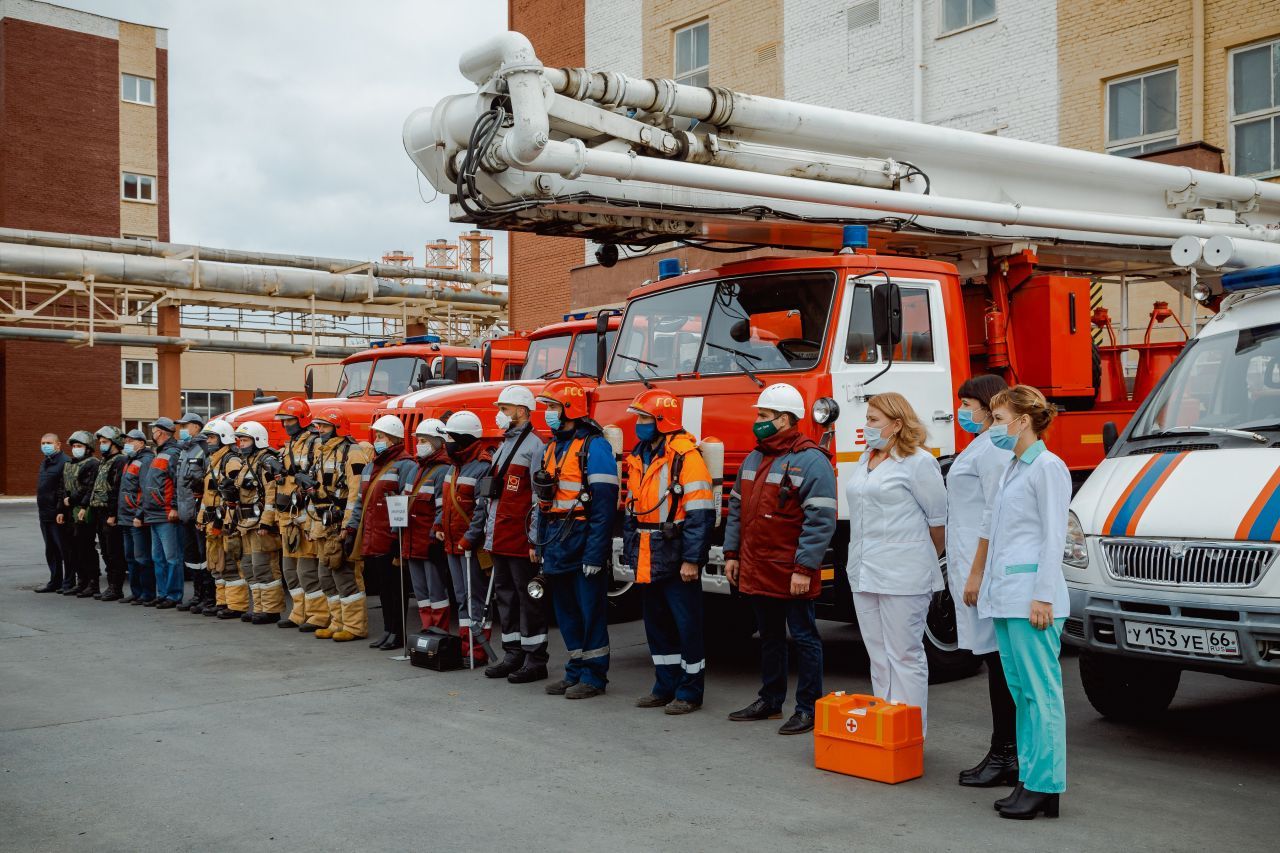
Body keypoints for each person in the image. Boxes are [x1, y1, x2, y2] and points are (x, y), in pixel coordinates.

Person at [966, 385, 1071, 820]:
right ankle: (1031, 779)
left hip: (1033, 601)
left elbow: (1054, 536)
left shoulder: (1048, 467)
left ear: (1023, 421)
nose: (992, 426)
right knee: (1023, 692)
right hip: (1007, 599)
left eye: (998, 417)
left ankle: (1045, 785)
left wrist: (1044, 595)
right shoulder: (1013, 467)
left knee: (1041, 695)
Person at [724, 383, 836, 735]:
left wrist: (805, 568)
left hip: (791, 571)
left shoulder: (811, 460)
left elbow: (820, 522)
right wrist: (731, 554)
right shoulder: (754, 458)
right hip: (759, 566)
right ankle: (771, 701)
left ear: (785, 419)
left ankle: (809, 709)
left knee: (804, 637)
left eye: (763, 415)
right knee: (770, 636)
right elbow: (737, 510)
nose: (757, 421)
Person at [845, 392, 947, 735]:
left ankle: (910, 733)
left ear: (897, 424)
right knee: (878, 655)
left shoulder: (918, 462)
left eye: (874, 420)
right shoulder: (866, 459)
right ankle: (884, 728)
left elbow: (938, 520)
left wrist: (917, 557)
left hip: (904, 574)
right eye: (867, 419)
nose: (867, 426)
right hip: (864, 571)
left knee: (904, 655)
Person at [622, 388, 715, 714]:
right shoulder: (639, 455)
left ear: (662, 421)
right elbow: (630, 511)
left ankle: (690, 691)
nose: (639, 424)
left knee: (687, 625)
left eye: (644, 418)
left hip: (675, 555)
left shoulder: (686, 458)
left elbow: (701, 514)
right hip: (648, 553)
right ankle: (665, 685)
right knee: (656, 623)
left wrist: (692, 560)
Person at [947, 374, 1019, 788]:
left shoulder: (993, 446)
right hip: (972, 567)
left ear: (988, 405)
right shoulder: (982, 443)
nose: (963, 412)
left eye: (968, 404)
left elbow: (997, 512)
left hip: (986, 572)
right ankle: (1002, 751)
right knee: (995, 663)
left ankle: (1006, 754)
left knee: (1000, 665)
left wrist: (978, 572)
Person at [533, 379, 619, 700]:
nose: (548, 415)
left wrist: (596, 554)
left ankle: (594, 677)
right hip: (556, 542)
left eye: (553, 408)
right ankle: (575, 671)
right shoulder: (552, 448)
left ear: (569, 409)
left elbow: (604, 506)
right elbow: (544, 504)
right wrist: (540, 547)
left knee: (590, 611)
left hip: (583, 541)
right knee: (566, 611)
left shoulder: (594, 447)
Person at [482, 385, 549, 683]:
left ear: (521, 411)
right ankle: (513, 653)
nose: (500, 415)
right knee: (505, 597)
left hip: (521, 539)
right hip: (500, 537)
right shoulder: (504, 445)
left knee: (528, 598)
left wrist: (535, 539)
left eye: (504, 409)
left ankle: (535, 658)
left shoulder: (535, 447)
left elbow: (538, 499)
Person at [348, 414, 418, 647]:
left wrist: (398, 535)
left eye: (381, 436)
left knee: (396, 589)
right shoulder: (370, 467)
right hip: (373, 538)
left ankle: (398, 633)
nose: (377, 439)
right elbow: (360, 502)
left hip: (391, 538)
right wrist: (352, 528)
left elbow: (407, 503)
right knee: (383, 591)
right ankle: (389, 630)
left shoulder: (407, 465)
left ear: (393, 438)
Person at [433, 410, 495, 667]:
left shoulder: (482, 468)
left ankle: (478, 651)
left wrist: (469, 539)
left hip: (469, 546)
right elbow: (446, 503)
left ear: (465, 439)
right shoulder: (454, 467)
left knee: (475, 599)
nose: (447, 442)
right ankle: (465, 647)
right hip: (452, 543)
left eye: (451, 437)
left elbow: (483, 509)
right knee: (461, 597)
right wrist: (439, 524)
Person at [308, 408, 373, 639]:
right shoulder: (321, 451)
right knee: (326, 577)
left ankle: (355, 627)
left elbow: (356, 493)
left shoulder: (352, 452)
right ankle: (337, 623)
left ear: (338, 427)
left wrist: (348, 526)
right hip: (323, 523)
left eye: (325, 426)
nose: (320, 430)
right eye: (318, 426)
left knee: (344, 576)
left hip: (339, 525)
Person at [266, 399, 320, 629]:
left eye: (290, 420)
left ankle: (317, 615)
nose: (286, 424)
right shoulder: (290, 445)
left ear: (302, 420)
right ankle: (299, 612)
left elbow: (317, 476)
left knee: (306, 570)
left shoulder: (315, 443)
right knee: (290, 570)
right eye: (284, 421)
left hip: (305, 515)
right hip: (287, 515)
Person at [230, 421, 284, 624]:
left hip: (260, 525)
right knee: (250, 567)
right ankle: (259, 607)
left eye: (244, 440)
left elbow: (271, 493)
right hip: (247, 523)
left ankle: (271, 610)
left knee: (264, 566)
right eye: (240, 440)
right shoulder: (248, 461)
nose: (241, 444)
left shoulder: (266, 461)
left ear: (257, 440)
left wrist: (266, 522)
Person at [404, 419, 452, 635]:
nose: (418, 444)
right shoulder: (416, 469)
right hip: (412, 540)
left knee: (436, 590)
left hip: (428, 542)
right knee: (421, 591)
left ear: (436, 443)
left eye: (423, 440)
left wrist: (434, 535)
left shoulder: (442, 471)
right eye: (418, 440)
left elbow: (443, 508)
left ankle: (438, 629)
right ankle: (426, 628)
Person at [140, 417, 185, 608]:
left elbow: (177, 483)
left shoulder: (172, 453)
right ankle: (163, 593)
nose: (153, 433)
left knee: (172, 558)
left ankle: (173, 595)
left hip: (166, 514)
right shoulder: (160, 453)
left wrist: (174, 507)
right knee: (158, 558)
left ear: (162, 432)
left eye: (154, 430)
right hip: (154, 514)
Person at [174, 412, 214, 613]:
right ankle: (197, 595)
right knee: (191, 557)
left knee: (203, 554)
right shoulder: (184, 450)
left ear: (197, 427)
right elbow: (178, 484)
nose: (182, 429)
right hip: (185, 512)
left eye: (186, 425)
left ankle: (209, 596)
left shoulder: (203, 449)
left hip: (199, 511)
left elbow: (208, 482)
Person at [55, 430, 102, 597]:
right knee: (73, 549)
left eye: (79, 446)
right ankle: (81, 581)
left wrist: (74, 500)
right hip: (69, 512)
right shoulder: (69, 464)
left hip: (84, 510)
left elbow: (89, 487)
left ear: (88, 447)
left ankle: (92, 583)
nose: (75, 449)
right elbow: (62, 488)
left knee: (86, 547)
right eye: (74, 446)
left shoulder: (93, 463)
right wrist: (61, 508)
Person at [197, 420, 236, 616]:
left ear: (223, 438)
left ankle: (235, 604)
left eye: (212, 437)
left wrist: (226, 519)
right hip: (211, 519)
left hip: (224, 520)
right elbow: (207, 495)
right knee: (216, 563)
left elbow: (235, 493)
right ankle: (222, 602)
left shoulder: (230, 460)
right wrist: (201, 516)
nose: (209, 441)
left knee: (228, 563)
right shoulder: (213, 460)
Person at [90, 426, 129, 601]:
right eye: (100, 442)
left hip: (109, 513)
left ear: (114, 443)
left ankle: (116, 587)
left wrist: (113, 514)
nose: (101, 445)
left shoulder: (120, 460)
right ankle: (111, 585)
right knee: (105, 551)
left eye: (105, 442)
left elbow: (116, 489)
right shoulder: (104, 461)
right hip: (99, 511)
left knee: (114, 551)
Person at [118, 429, 156, 605]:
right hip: (125, 516)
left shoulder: (145, 461)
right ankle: (136, 592)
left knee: (142, 558)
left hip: (136, 517)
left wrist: (139, 514)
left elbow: (145, 490)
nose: (127, 443)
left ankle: (147, 593)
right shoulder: (130, 460)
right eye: (126, 440)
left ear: (141, 443)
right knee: (130, 558)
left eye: (131, 440)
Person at [34, 434, 68, 593]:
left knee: (64, 549)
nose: (45, 445)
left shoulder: (64, 462)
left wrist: (60, 510)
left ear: (58, 445)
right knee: (51, 550)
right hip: (45, 513)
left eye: (49, 443)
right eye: (43, 443)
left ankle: (69, 582)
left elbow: (64, 489)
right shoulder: (45, 462)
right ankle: (55, 581)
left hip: (57, 514)